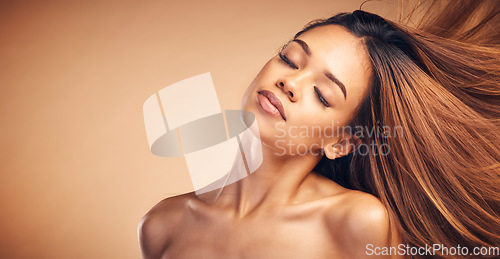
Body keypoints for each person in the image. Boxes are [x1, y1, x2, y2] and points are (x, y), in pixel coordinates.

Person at [139, 1, 500, 258]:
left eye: (322, 95)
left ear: (341, 142)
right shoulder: (161, 225)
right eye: (290, 58)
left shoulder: (355, 223)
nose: (290, 82)